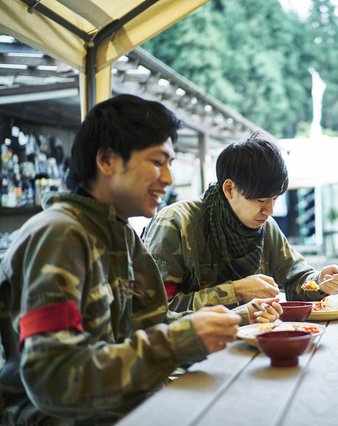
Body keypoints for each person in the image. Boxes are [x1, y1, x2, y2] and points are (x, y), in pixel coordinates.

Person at [0, 95, 280, 425]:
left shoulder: (120, 234)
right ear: (107, 160)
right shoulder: (60, 235)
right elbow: (55, 381)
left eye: (170, 164)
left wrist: (233, 319)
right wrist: (180, 340)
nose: (168, 179)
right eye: (157, 162)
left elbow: (150, 327)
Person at [142, 132, 338, 313]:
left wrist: (320, 282)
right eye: (260, 200)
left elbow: (296, 280)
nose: (269, 210)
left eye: (275, 199)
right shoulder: (176, 223)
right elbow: (156, 310)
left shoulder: (265, 226)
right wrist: (236, 291)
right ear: (229, 189)